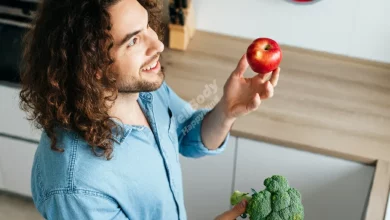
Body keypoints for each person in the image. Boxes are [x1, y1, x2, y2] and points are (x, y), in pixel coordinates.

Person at [19, 0, 280, 219]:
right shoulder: (76, 187)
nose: (158, 45)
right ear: (91, 64)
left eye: (147, 27)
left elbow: (186, 134)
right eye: (133, 41)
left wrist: (226, 110)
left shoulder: (139, 88)